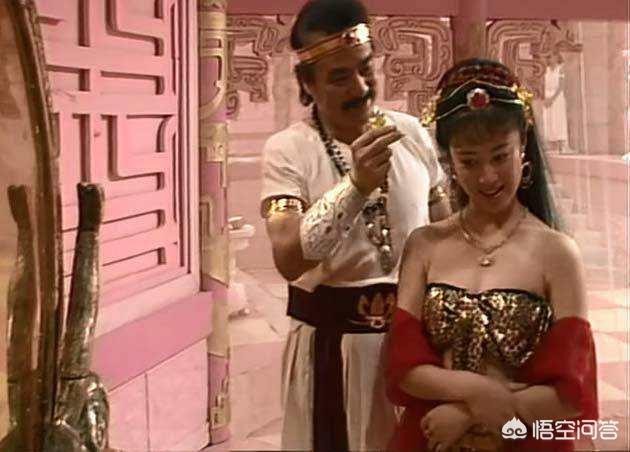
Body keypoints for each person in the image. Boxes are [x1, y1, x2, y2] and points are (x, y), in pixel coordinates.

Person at [259, 1, 451, 450]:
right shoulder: (288, 150)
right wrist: (356, 186)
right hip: (330, 350)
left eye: (365, 69)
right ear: (308, 84)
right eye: (340, 77)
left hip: (413, 345)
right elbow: (288, 258)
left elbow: (446, 235)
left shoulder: (411, 134)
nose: (361, 88)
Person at [386, 58, 598, 452]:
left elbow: (571, 392)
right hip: (431, 437)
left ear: (523, 148)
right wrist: (476, 389)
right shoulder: (424, 245)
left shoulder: (557, 252)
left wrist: (468, 413)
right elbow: (403, 366)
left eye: (500, 156)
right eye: (469, 161)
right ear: (449, 162)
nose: (487, 177)